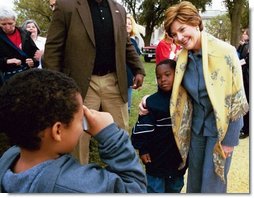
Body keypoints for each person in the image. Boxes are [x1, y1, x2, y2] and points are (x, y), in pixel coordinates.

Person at [140, 1, 249, 193]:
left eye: (182, 29)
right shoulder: (181, 58)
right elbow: (173, 90)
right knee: (194, 184)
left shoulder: (226, 52)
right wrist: (148, 99)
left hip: (220, 132)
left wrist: (230, 140)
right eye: (174, 34)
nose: (179, 38)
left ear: (195, 22)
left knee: (213, 186)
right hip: (195, 131)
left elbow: (237, 101)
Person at [0, 69, 147, 193]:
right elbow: (135, 187)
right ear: (58, 131)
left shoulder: (8, 158)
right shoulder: (78, 186)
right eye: (80, 117)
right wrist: (110, 136)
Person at [43, 0, 145, 165]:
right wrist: (56, 85)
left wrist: (138, 69)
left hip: (114, 81)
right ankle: (77, 180)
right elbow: (53, 48)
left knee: (120, 133)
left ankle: (122, 177)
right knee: (77, 136)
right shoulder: (66, 6)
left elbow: (125, 43)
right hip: (80, 83)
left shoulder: (119, 9)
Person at [131, 59, 190, 193]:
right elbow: (143, 129)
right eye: (159, 77)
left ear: (177, 74)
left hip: (177, 162)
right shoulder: (152, 103)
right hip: (155, 161)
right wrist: (143, 149)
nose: (163, 79)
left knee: (174, 189)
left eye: (167, 75)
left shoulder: (186, 101)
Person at [0, 7, 39, 82]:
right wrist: (6, 61)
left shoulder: (25, 34)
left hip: (27, 76)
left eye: (10, 23)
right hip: (6, 79)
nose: (7, 27)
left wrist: (33, 61)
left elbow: (35, 53)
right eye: (3, 24)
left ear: (15, 21)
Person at [126, 14, 142, 114]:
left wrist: (137, 74)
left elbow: (136, 61)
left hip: (128, 79)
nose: (127, 25)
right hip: (115, 79)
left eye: (129, 23)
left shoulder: (133, 42)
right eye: (125, 23)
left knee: (127, 106)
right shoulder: (115, 41)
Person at [237, 28, 249, 139]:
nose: (243, 34)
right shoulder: (245, 45)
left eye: (245, 33)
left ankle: (246, 129)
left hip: (247, 77)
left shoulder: (248, 46)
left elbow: (245, 60)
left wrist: (238, 63)